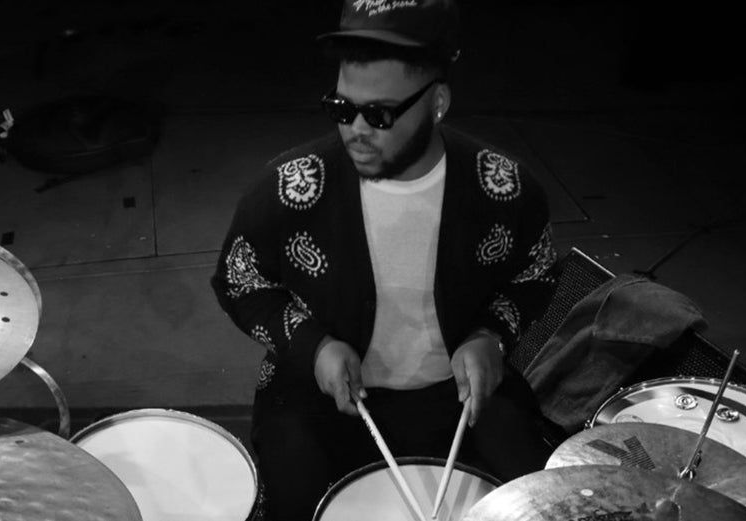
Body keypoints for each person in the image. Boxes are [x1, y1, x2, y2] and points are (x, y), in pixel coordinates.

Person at [209, 1, 560, 519]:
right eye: (341, 108)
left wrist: (491, 335)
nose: (355, 129)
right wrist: (314, 347)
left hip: (460, 395)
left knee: (538, 501)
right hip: (317, 392)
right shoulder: (288, 188)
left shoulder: (503, 188)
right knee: (294, 502)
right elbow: (240, 281)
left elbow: (536, 274)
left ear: (437, 102)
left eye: (379, 114)